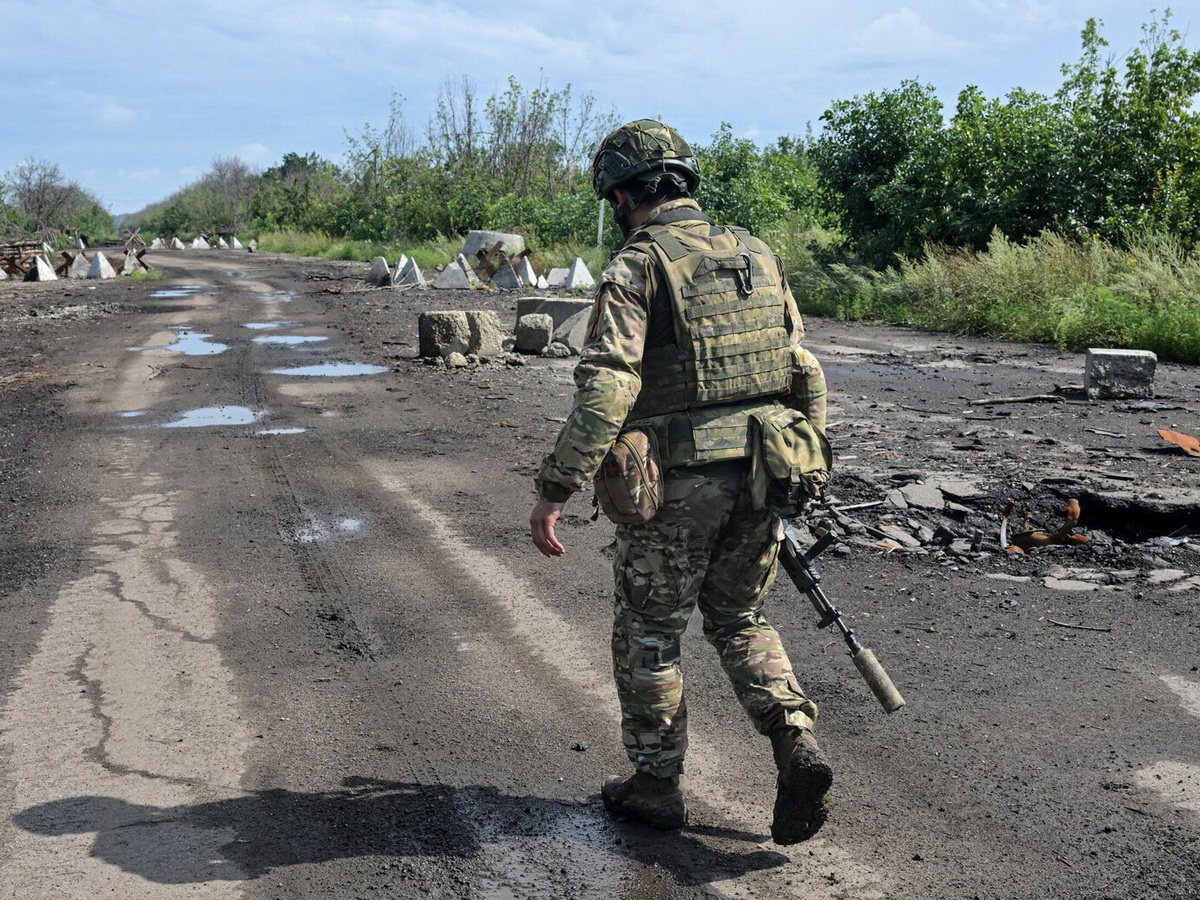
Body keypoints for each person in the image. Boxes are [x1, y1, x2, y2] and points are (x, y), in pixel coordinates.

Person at [529, 119, 832, 844]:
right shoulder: (756, 253)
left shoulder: (638, 265)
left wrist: (556, 488)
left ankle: (657, 787)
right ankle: (794, 737)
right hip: (768, 472)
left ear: (625, 193)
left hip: (677, 483)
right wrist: (809, 462)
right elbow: (806, 370)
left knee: (651, 633)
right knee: (741, 619)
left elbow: (607, 390)